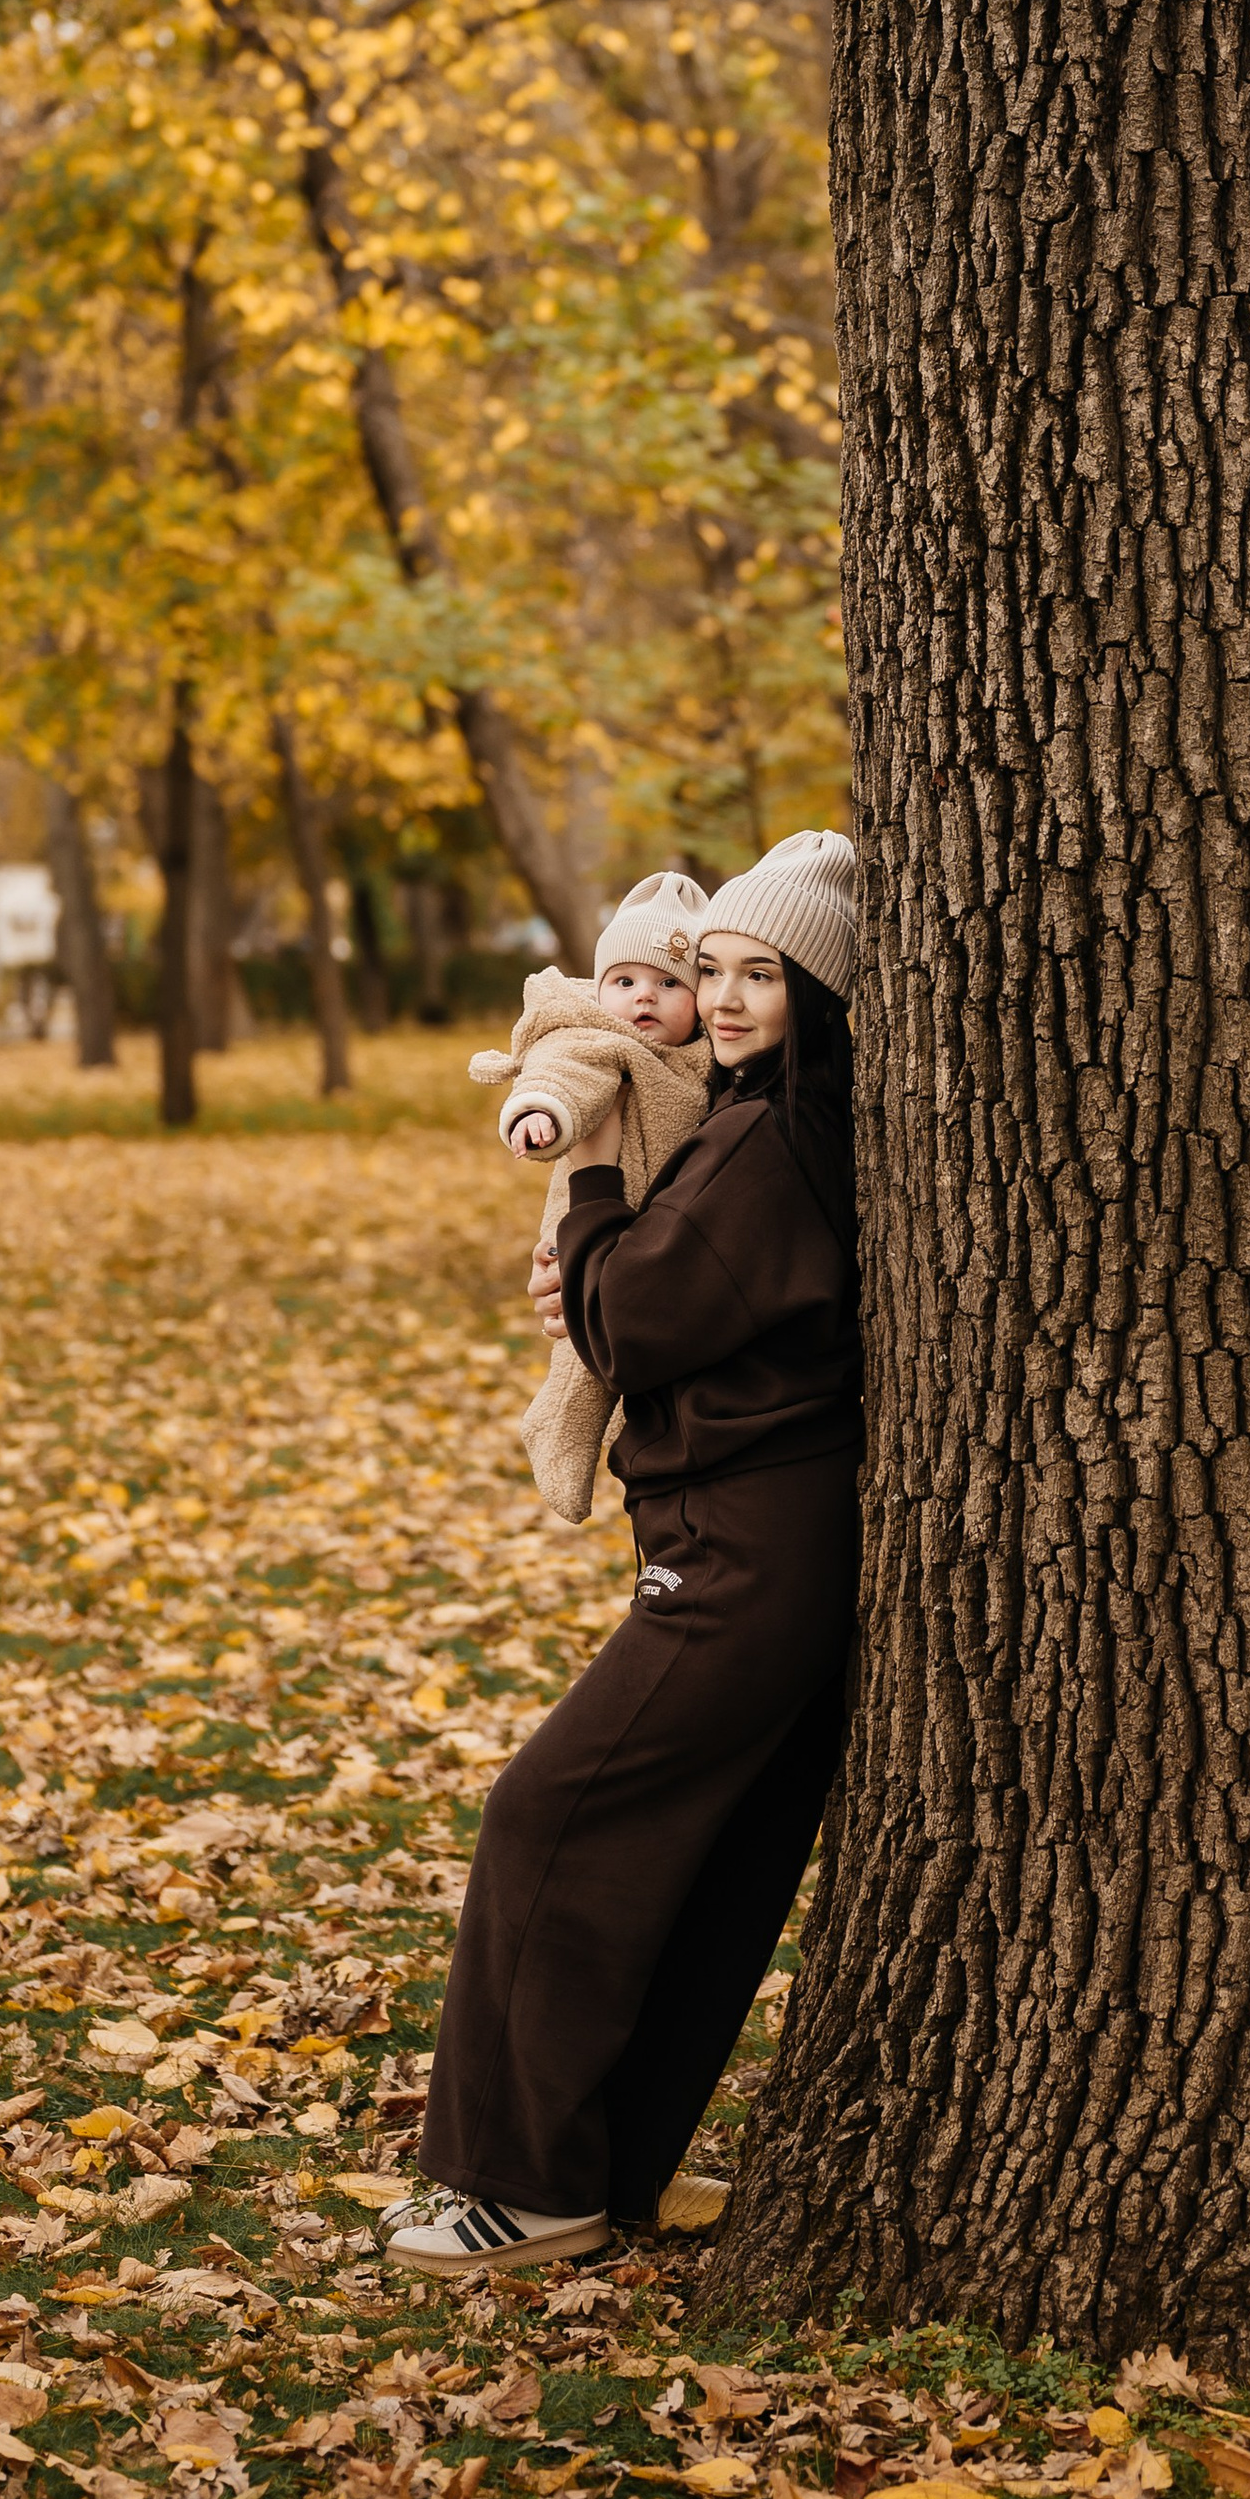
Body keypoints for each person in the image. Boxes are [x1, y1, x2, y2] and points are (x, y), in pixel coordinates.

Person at [383, 829, 862, 2277]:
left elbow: (641, 1318)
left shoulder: (773, 1140)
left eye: (759, 976)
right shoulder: (762, 1119)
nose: (721, 999)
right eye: (709, 970)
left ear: (821, 995)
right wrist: (598, 1272)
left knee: (550, 1816)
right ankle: (608, 2173)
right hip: (774, 1535)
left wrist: (587, 1215)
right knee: (711, 1866)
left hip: (743, 1547)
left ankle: (516, 2187)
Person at [467, 872, 716, 1521]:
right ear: (601, 989)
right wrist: (541, 1114)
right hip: (591, 1207)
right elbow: (562, 1073)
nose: (645, 999)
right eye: (626, 982)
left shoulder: (708, 1058)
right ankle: (562, 1434)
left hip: (655, 1233)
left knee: (615, 1339)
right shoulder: (597, 1039)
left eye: (670, 984)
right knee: (583, 1349)